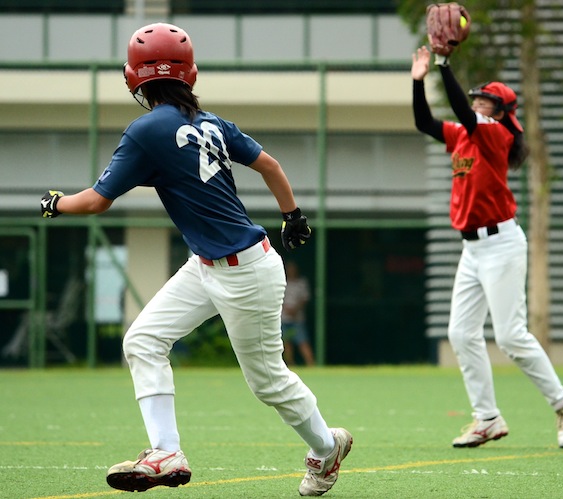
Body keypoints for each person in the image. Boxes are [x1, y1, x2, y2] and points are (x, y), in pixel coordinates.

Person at [40, 22, 351, 496]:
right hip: (210, 263)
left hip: (243, 271)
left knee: (267, 382)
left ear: (132, 77)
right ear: (191, 74)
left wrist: (55, 203)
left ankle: (328, 449)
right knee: (143, 340)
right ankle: (166, 451)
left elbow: (97, 201)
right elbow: (270, 165)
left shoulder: (145, 129)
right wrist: (293, 216)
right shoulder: (211, 122)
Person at [410, 45, 563, 449]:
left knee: (510, 335)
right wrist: (418, 81)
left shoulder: (495, 133)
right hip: (472, 249)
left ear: (503, 110)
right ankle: (487, 417)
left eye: (485, 101)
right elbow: (424, 122)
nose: (477, 105)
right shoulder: (464, 136)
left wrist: (443, 64)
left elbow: (462, 111)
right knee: (461, 332)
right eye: (477, 100)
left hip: (502, 244)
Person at [282, 260, 316, 367]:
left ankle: (311, 364)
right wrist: (285, 308)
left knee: (303, 341)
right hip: (283, 318)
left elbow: (304, 298)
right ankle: (290, 365)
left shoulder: (302, 282)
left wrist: (295, 309)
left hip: (298, 319)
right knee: (286, 342)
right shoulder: (282, 282)